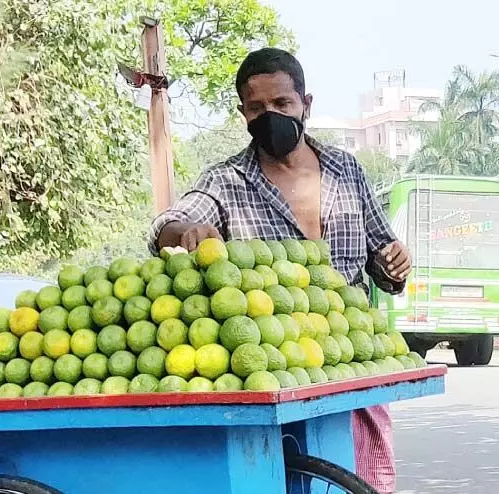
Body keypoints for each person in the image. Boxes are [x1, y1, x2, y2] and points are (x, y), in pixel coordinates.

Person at [147, 47, 411, 493]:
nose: (270, 115)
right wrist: (185, 230)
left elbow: (382, 255)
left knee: (362, 483)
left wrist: (393, 262)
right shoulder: (227, 180)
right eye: (257, 108)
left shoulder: (346, 170)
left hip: (353, 367)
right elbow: (165, 227)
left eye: (282, 104)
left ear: (306, 104)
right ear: (243, 113)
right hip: (276, 371)